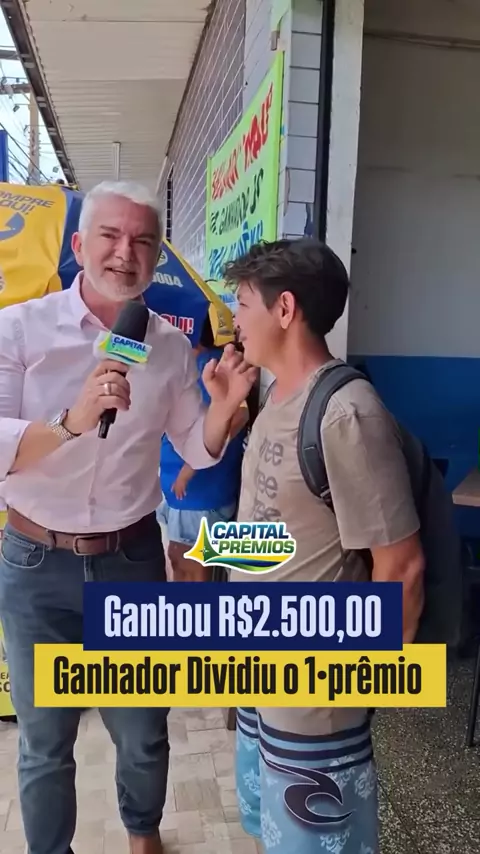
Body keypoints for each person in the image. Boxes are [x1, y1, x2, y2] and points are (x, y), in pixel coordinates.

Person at [0, 180, 257, 854]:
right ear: (80, 245)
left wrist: (223, 412)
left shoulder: (167, 347)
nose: (126, 252)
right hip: (35, 564)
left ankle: (144, 834)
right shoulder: (20, 329)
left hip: (130, 559)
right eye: (111, 236)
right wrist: (71, 420)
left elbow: (193, 446)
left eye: (144, 240)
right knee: (45, 738)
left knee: (143, 729)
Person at [224, 238, 425, 854]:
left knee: (316, 840)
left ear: (284, 309)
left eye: (243, 303)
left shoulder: (345, 415)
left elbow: (402, 567)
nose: (234, 319)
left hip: (316, 692)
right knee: (272, 829)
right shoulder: (275, 394)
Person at [158, 316, 248, 581]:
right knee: (179, 562)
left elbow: (239, 415)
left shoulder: (214, 366)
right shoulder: (186, 365)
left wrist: (190, 467)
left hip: (198, 494)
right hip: (183, 492)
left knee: (189, 568)